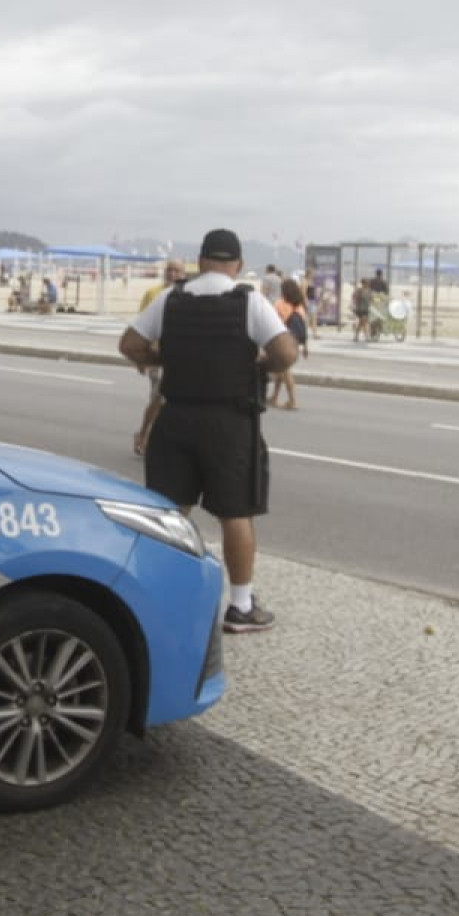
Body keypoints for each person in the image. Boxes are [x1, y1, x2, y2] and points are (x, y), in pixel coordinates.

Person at [120, 229, 298, 634]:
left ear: (201, 261)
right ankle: (240, 605)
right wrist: (257, 367)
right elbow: (286, 353)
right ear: (236, 265)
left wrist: (159, 357)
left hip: (176, 415)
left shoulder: (172, 298)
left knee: (168, 512)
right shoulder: (248, 300)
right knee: (235, 513)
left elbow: (129, 344)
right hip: (229, 422)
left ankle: (156, 595)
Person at [133, 259, 188, 456]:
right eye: (169, 270)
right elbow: (141, 328)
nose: (172, 274)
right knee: (159, 398)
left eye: (177, 270)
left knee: (169, 402)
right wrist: (141, 359)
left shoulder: (189, 296)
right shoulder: (153, 294)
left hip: (179, 357)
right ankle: (144, 435)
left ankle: (156, 438)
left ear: (183, 274)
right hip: (158, 356)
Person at [269, 278, 310, 409]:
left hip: (283, 340)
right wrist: (306, 346)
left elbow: (273, 322)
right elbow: (303, 326)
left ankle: (292, 401)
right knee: (281, 369)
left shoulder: (280, 304)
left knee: (285, 371)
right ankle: (274, 396)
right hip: (296, 341)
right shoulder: (299, 306)